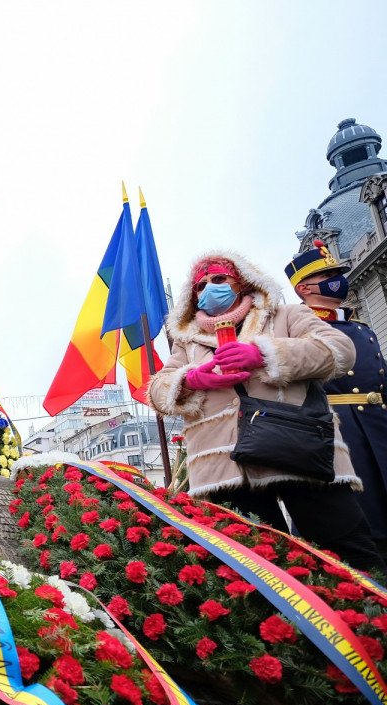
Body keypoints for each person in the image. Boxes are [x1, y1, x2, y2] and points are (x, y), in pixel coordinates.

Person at [148, 250, 385, 573]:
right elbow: (159, 391)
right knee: (254, 570)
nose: (209, 289)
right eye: (201, 286)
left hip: (299, 450)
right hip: (224, 467)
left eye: (219, 280)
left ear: (242, 283)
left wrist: (263, 353)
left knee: (346, 555)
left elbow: (340, 351)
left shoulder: (285, 315)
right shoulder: (186, 341)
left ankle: (370, 619)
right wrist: (188, 378)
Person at [287, 240, 387, 549]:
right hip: (341, 431)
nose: (338, 279)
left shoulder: (360, 327)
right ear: (304, 289)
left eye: (337, 272)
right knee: (361, 523)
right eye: (328, 274)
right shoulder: (298, 328)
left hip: (379, 426)